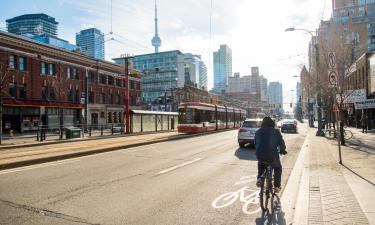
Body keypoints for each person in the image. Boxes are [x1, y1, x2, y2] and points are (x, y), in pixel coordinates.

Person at [255, 117, 287, 193]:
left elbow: (256, 143)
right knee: (277, 168)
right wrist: (283, 150)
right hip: (272, 156)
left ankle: (259, 178)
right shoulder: (276, 131)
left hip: (260, 154)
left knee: (261, 164)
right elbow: (281, 142)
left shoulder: (258, 131)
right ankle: (276, 186)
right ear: (272, 123)